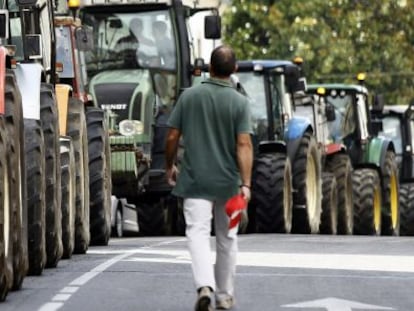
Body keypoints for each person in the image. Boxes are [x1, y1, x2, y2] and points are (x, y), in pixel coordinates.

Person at [165, 45, 253, 311]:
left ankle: (204, 286)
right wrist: (246, 184)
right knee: (228, 237)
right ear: (234, 70)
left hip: (194, 182)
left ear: (208, 68)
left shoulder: (189, 97)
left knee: (198, 233)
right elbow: (244, 145)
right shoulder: (240, 102)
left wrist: (169, 165)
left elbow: (171, 136)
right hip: (229, 185)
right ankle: (225, 295)